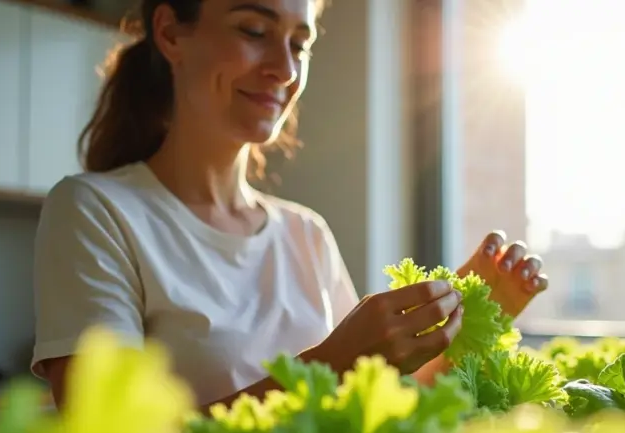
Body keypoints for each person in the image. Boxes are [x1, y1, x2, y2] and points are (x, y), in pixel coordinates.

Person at [31, 0, 548, 411]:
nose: (284, 69)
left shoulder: (306, 233)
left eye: (300, 44)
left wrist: (475, 318)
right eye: (254, 31)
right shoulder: (95, 211)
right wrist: (333, 361)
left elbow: (378, 403)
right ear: (170, 32)